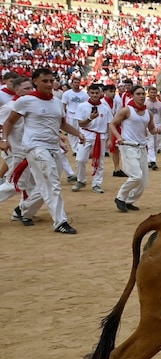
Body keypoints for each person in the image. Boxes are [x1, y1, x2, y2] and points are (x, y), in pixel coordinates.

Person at [1, 68, 85, 234]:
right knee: (52, 182)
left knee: (42, 184)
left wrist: (77, 133)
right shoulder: (25, 101)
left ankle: (24, 211)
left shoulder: (56, 102)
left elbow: (60, 124)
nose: (49, 84)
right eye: (45, 81)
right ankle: (60, 221)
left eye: (51, 80)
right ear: (35, 82)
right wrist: (4, 140)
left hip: (52, 148)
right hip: (34, 147)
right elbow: (9, 122)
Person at [108, 85, 161, 213]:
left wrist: (158, 130)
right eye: (138, 94)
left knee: (143, 181)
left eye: (142, 94)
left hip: (141, 147)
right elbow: (112, 124)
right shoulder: (126, 110)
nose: (141, 96)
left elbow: (151, 129)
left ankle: (129, 201)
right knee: (136, 176)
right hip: (128, 145)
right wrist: (118, 137)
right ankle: (120, 197)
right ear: (132, 95)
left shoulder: (148, 113)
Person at [0, 76, 39, 226]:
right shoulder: (10, 107)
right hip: (16, 152)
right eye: (26, 88)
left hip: (28, 151)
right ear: (17, 90)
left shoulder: (30, 105)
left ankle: (22, 211)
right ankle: (22, 211)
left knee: (31, 184)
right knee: (15, 184)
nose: (30, 91)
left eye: (31, 88)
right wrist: (2, 141)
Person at [72, 83, 113, 194]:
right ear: (88, 93)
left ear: (100, 93)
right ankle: (81, 180)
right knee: (80, 159)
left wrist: (110, 138)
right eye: (92, 93)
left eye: (97, 93)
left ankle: (97, 183)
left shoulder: (105, 108)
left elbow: (110, 124)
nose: (95, 95)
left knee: (99, 161)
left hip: (101, 136)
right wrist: (90, 118)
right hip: (86, 135)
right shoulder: (82, 106)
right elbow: (80, 124)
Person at [144, 86, 161, 170]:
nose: (153, 94)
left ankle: (150, 160)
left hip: (158, 126)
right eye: (151, 92)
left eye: (154, 92)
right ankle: (153, 161)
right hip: (148, 126)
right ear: (148, 93)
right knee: (150, 144)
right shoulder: (145, 103)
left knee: (156, 145)